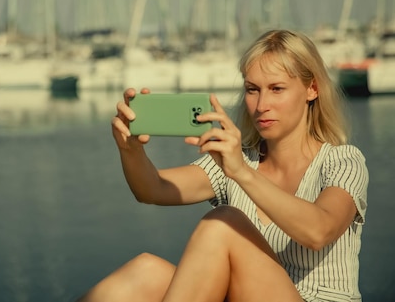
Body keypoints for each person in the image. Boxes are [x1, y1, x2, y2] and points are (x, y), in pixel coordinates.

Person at [77, 29, 369, 302]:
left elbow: (319, 231)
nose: (261, 103)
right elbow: (151, 189)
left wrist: (241, 173)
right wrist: (130, 149)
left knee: (225, 222)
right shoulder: (237, 160)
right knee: (145, 272)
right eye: (253, 89)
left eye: (277, 89)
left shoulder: (343, 161)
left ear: (312, 89)